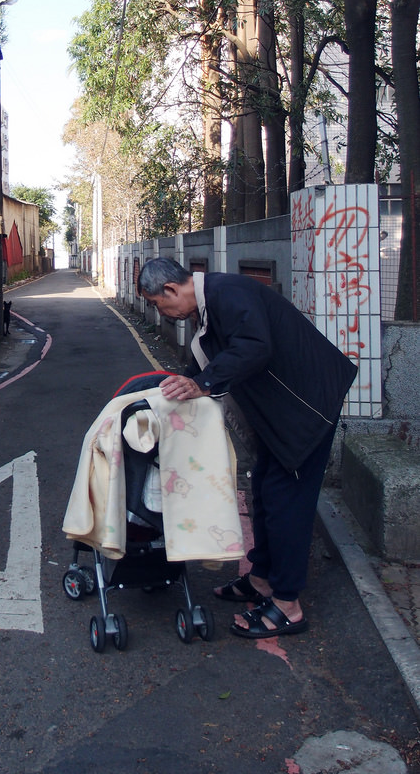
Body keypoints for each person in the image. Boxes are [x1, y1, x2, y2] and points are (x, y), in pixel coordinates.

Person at [137, 257, 358, 639]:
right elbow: (205, 361)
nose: (164, 313)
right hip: (282, 413)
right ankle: (261, 580)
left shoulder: (228, 293)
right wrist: (183, 384)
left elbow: (255, 346)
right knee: (264, 491)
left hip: (308, 408)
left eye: (159, 304)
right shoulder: (210, 307)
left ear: (172, 289)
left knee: (287, 501)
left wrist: (202, 385)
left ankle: (288, 604)